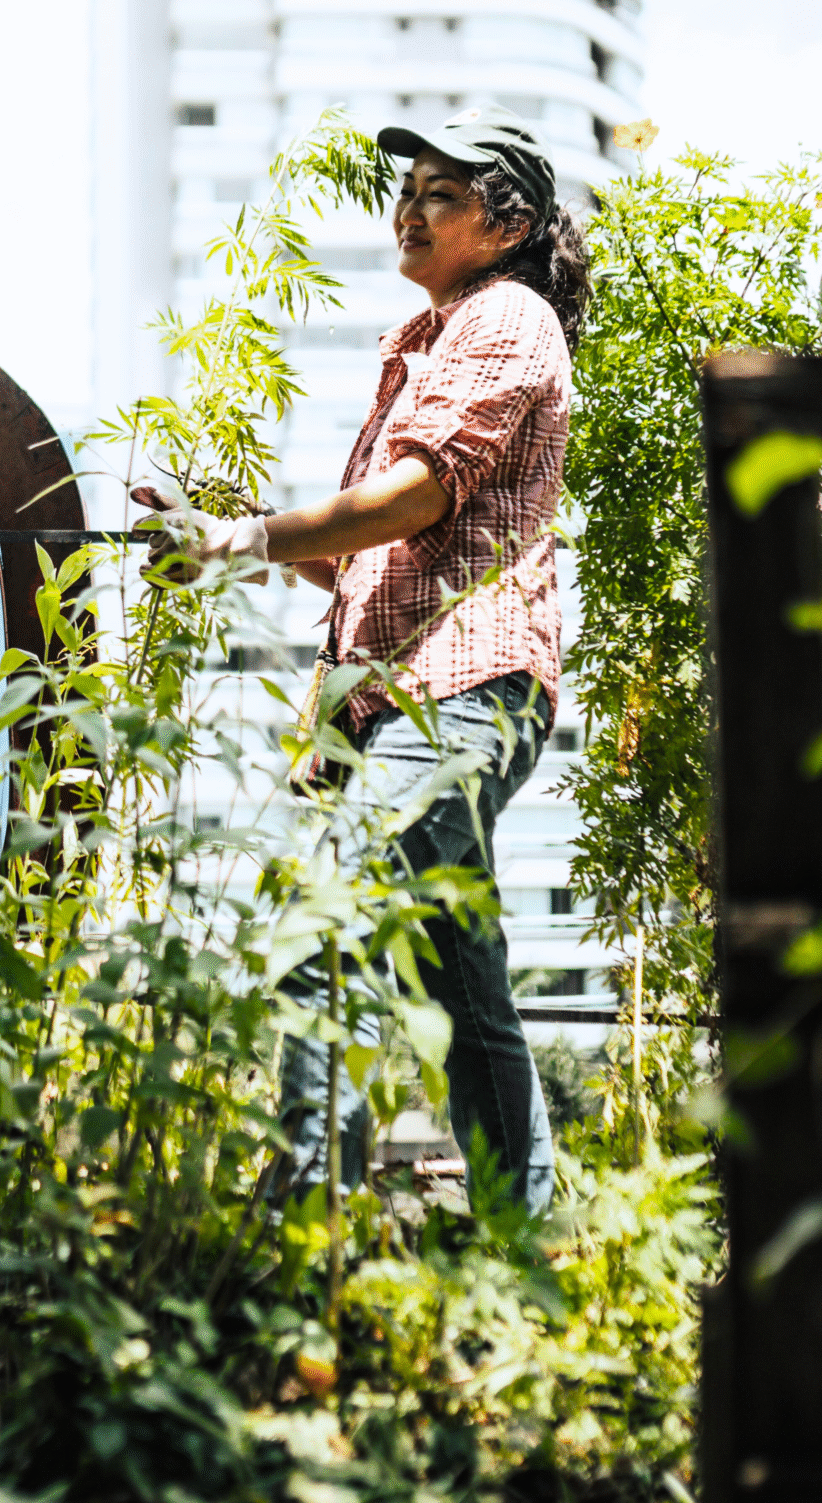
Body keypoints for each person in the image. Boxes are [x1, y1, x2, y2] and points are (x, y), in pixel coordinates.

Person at [132, 104, 588, 1213]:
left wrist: (247, 538)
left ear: (507, 223)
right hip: (408, 695)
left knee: (325, 927)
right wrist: (240, 527)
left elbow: (418, 492)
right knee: (459, 980)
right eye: (407, 192)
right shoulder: (433, 340)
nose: (410, 212)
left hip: (458, 691)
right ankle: (520, 1243)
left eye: (443, 194)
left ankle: (306, 1214)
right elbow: (369, 564)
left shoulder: (505, 317)